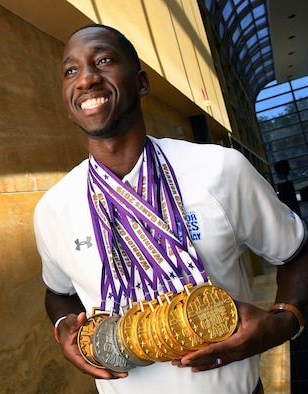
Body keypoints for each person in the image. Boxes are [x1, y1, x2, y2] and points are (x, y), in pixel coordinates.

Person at [34, 24, 308, 394]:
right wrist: (64, 324)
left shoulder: (220, 169)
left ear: (142, 82)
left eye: (103, 60)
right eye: (71, 70)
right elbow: (58, 292)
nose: (86, 79)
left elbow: (296, 252)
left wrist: (282, 322)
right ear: (68, 102)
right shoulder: (52, 209)